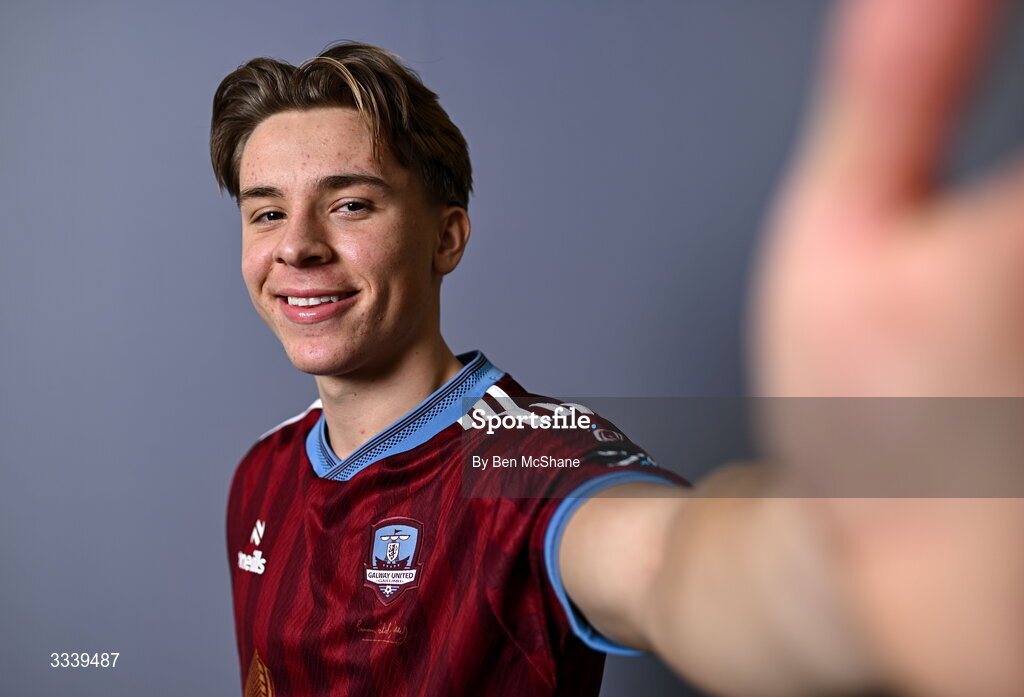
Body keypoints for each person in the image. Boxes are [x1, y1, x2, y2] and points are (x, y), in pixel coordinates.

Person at [210, 0, 1024, 695]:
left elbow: (670, 563)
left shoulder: (528, 464)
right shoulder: (262, 474)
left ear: (447, 236)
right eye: (267, 212)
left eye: (350, 204)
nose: (299, 247)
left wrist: (849, 564)